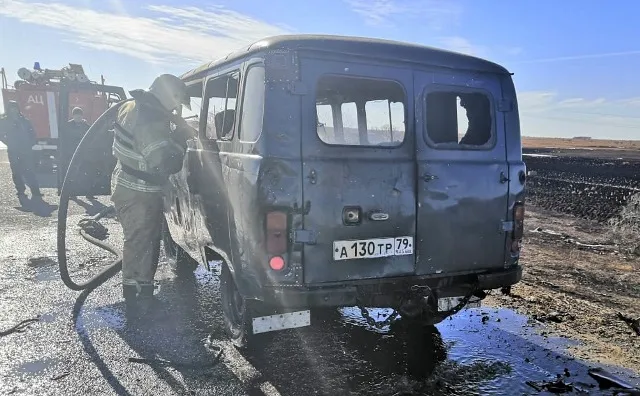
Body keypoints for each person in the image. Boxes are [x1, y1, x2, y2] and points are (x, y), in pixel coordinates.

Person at [111, 74, 195, 319]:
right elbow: (165, 162)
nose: (176, 109)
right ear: (170, 96)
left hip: (130, 187)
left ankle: (141, 293)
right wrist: (180, 138)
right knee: (140, 244)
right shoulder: (150, 117)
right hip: (138, 192)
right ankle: (138, 302)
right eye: (177, 103)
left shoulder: (133, 106)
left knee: (141, 242)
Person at [0, 101, 42, 204]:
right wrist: (9, 142)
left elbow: (32, 132)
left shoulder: (25, 120)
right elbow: (1, 134)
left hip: (26, 149)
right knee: (16, 171)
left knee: (30, 170)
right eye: (11, 108)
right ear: (8, 109)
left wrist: (31, 143)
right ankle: (20, 190)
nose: (14, 110)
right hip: (14, 150)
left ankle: (35, 191)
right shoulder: (4, 121)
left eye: (15, 107)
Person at [60, 107, 94, 199]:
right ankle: (72, 193)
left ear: (82, 116)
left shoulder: (85, 125)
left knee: (87, 173)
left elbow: (92, 134)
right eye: (76, 115)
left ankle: (89, 194)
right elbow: (64, 139)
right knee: (73, 174)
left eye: (79, 115)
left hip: (83, 153)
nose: (78, 117)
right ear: (73, 116)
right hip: (72, 154)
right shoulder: (68, 125)